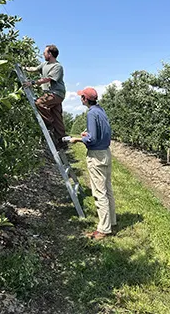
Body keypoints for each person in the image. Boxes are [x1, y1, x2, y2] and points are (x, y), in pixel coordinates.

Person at [69, 87, 116, 240]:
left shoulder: (91, 113)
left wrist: (77, 139)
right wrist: (87, 134)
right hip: (106, 153)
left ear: (85, 99)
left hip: (96, 155)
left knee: (99, 192)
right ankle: (111, 222)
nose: (80, 99)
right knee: (107, 189)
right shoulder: (100, 111)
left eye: (81, 97)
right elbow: (102, 133)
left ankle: (103, 229)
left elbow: (92, 139)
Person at [23, 44, 67, 150]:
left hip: (56, 93)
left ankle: (50, 125)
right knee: (57, 118)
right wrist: (24, 68)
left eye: (45, 52)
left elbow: (48, 79)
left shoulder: (57, 66)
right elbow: (34, 69)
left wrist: (33, 82)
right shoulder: (44, 64)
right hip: (51, 94)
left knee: (39, 103)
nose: (43, 54)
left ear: (50, 54)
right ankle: (62, 142)